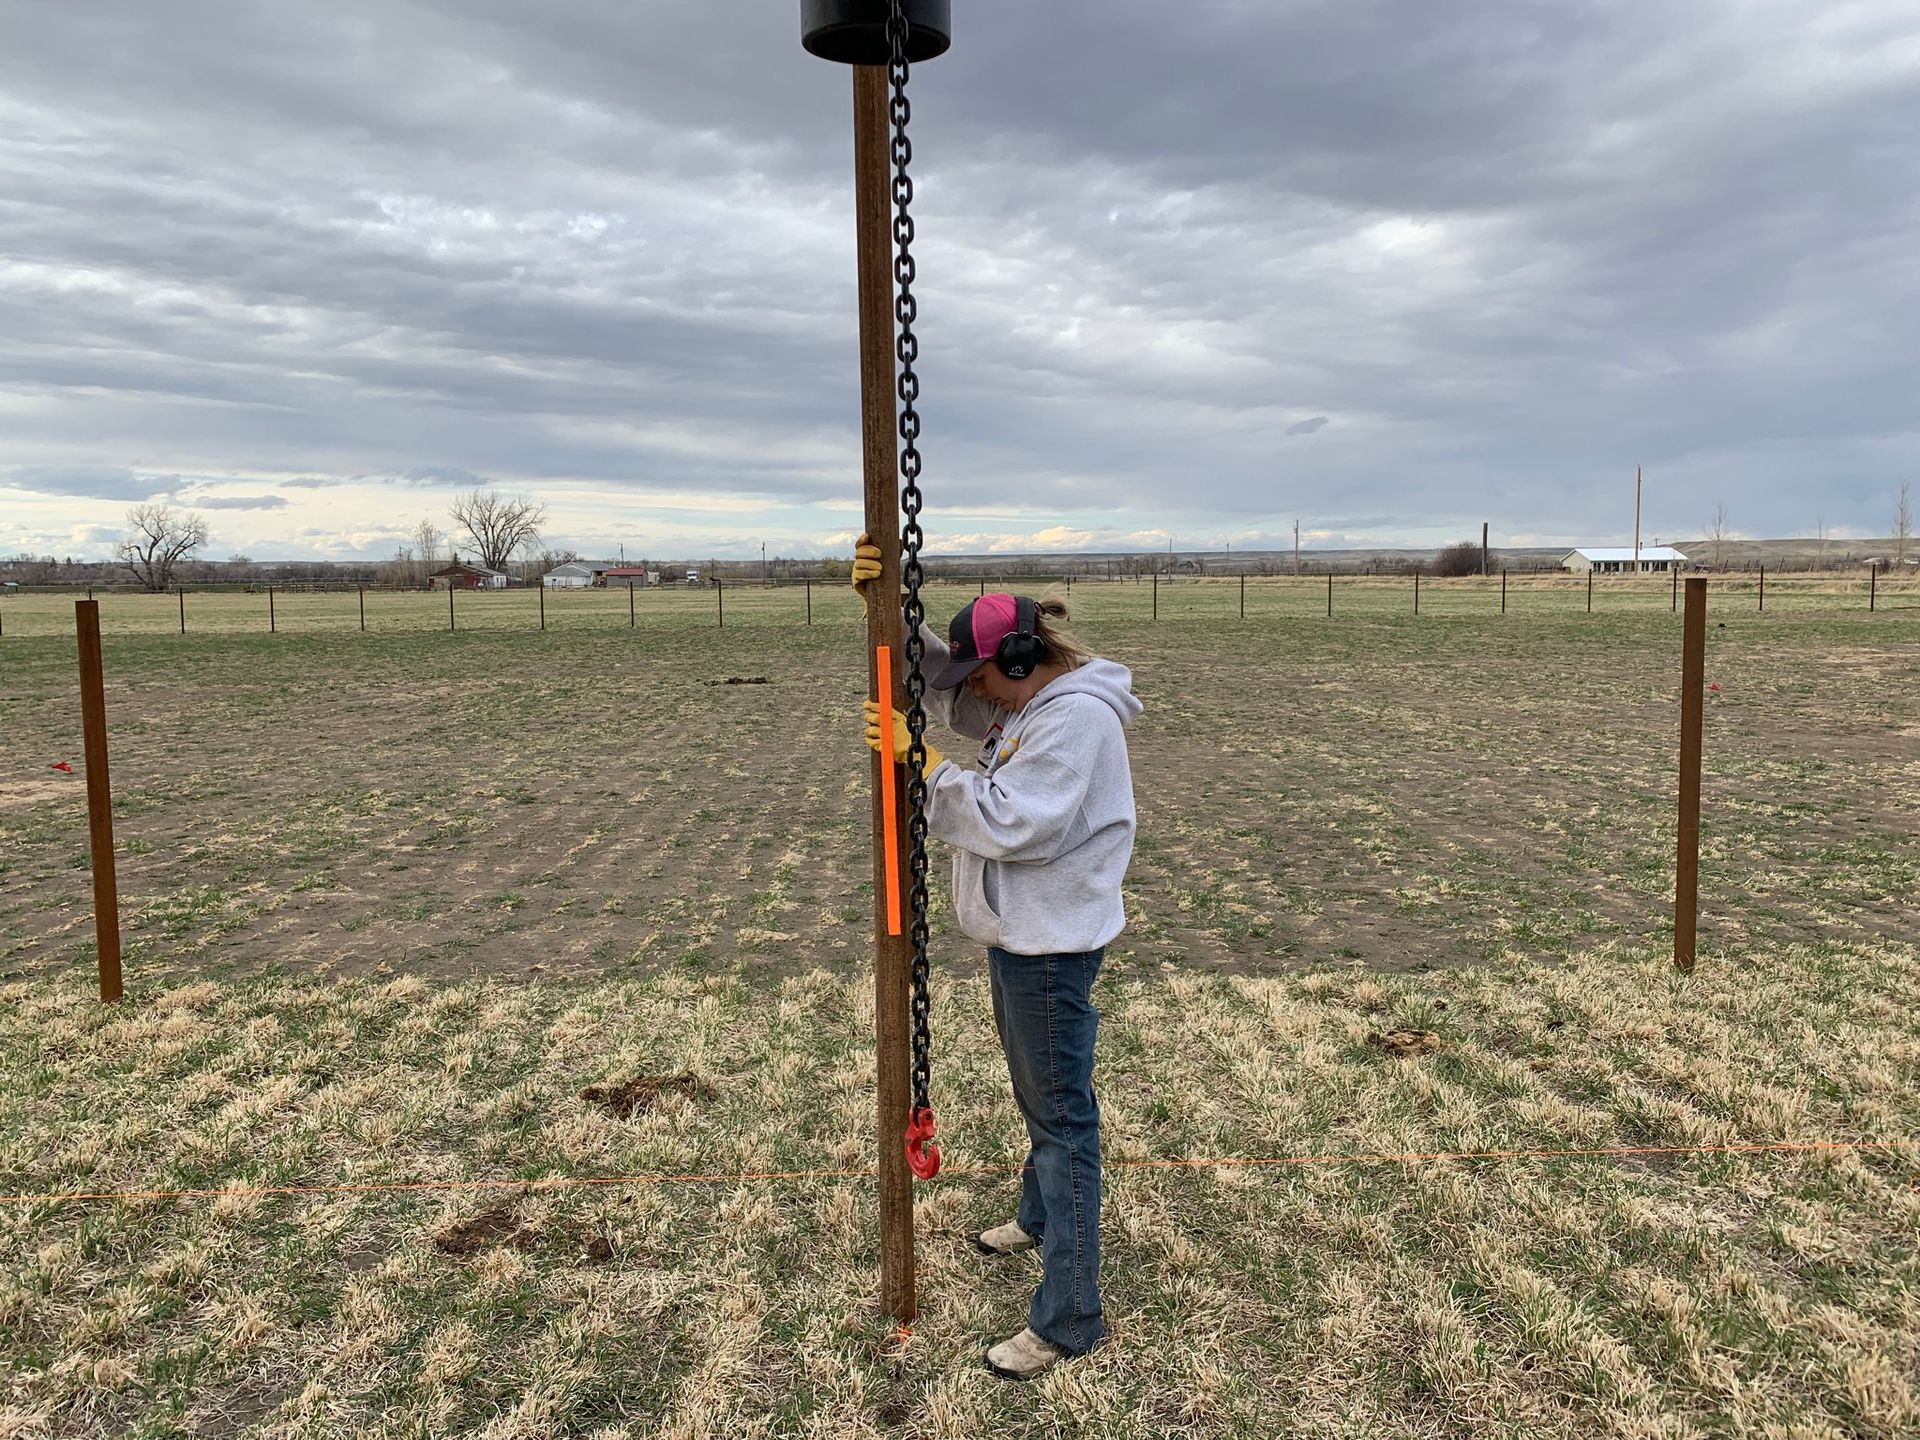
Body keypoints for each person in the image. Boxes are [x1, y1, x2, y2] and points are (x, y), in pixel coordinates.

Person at [853, 536, 1142, 1380]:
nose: (975, 696)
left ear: (1019, 658)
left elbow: (1018, 820)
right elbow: (960, 696)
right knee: (1042, 1100)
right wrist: (885, 610)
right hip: (1029, 938)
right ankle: (1040, 1220)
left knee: (1063, 1124)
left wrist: (930, 772)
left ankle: (1069, 1320)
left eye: (983, 677)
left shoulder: (1075, 719)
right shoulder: (1037, 704)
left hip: (1049, 949)